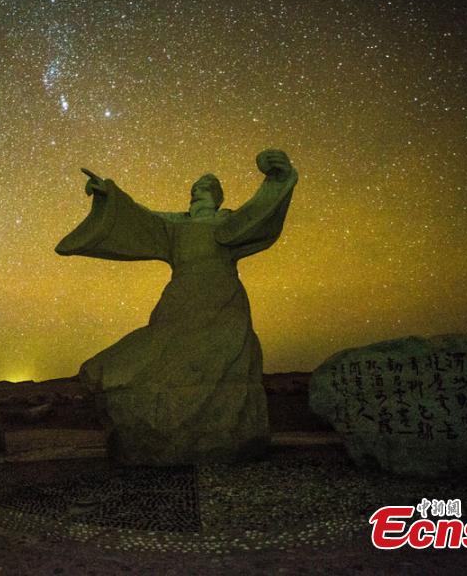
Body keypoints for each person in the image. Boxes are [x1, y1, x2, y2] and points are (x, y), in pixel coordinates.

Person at [56, 150, 298, 464]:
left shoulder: (228, 220)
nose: (197, 190)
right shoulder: (175, 224)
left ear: (216, 196)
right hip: (182, 294)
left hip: (222, 294)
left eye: (204, 187)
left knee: (223, 353)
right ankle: (144, 409)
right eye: (195, 187)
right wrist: (108, 196)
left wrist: (278, 179)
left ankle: (222, 428)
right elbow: (140, 218)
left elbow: (259, 213)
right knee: (162, 345)